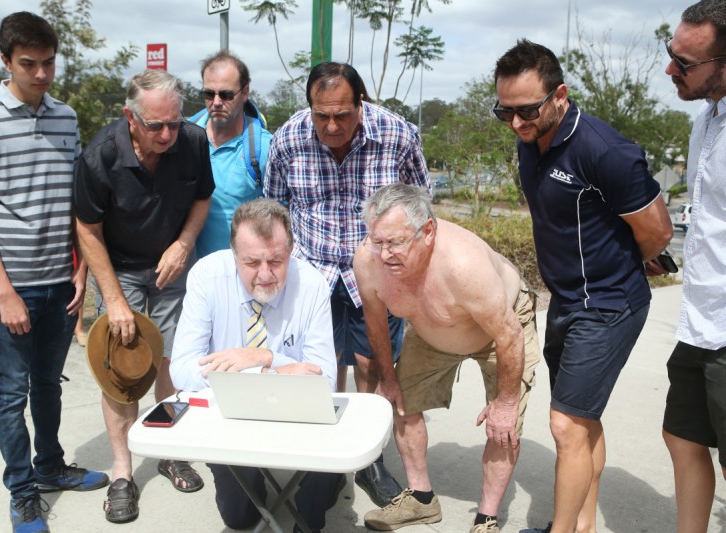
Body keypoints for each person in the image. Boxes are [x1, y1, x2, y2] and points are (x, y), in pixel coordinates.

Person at [493, 40, 673, 533]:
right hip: (568, 302)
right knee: (583, 419)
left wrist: (616, 264)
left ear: (560, 96)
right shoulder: (529, 140)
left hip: (609, 305)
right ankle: (584, 525)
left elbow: (658, 233)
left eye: (526, 110)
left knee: (565, 424)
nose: (515, 124)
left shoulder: (605, 151)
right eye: (504, 111)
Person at [0, 11, 108, 533]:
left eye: (48, 63)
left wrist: (82, 273)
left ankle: (50, 467)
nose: (41, 74)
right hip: (11, 286)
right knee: (9, 391)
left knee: (49, 383)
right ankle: (22, 491)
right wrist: (4, 291)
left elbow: (76, 202)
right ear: (5, 60)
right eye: (29, 64)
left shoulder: (66, 118)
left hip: (59, 282)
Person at [264, 61, 430, 507]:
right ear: (310, 108)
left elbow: (420, 204)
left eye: (342, 114)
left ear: (362, 103)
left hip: (375, 268)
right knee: (320, 364)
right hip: (312, 267)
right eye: (322, 115)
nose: (332, 126)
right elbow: (275, 208)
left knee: (372, 363)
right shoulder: (288, 139)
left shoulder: (397, 135)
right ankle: (325, 456)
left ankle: (368, 461)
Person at [355, 184, 540, 533]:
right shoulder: (369, 260)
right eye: (378, 242)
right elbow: (374, 320)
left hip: (500, 330)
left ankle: (486, 519)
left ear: (427, 231)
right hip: (430, 328)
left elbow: (509, 334)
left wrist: (506, 402)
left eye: (396, 242)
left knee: (504, 426)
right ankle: (421, 500)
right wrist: (388, 378)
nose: (385, 254)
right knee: (401, 402)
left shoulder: (463, 265)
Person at [73, 69, 214, 523]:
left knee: (174, 358)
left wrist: (184, 243)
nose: (168, 134)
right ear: (130, 117)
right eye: (156, 126)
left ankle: (169, 449)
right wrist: (113, 300)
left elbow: (202, 199)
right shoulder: (100, 156)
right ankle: (122, 471)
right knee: (122, 368)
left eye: (174, 122)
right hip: (119, 268)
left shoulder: (191, 142)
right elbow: (87, 230)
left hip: (172, 264)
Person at [170, 198, 345, 533]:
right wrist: (270, 371)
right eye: (251, 262)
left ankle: (321, 487)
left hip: (299, 414)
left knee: (310, 518)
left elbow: (324, 383)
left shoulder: (312, 285)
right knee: (239, 518)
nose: (265, 274)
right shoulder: (207, 276)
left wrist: (261, 357)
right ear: (233, 254)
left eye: (276, 261)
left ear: (291, 252)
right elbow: (181, 368)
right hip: (231, 414)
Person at [662, 2, 726, 532]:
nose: (670, 70)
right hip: (700, 318)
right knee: (681, 435)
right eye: (671, 54)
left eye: (685, 62)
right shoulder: (706, 121)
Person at [190, 50, 272, 258]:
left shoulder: (264, 147)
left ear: (244, 93)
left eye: (226, 95)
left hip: (241, 272)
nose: (216, 102)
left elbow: (280, 215)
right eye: (209, 94)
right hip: (188, 276)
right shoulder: (183, 138)